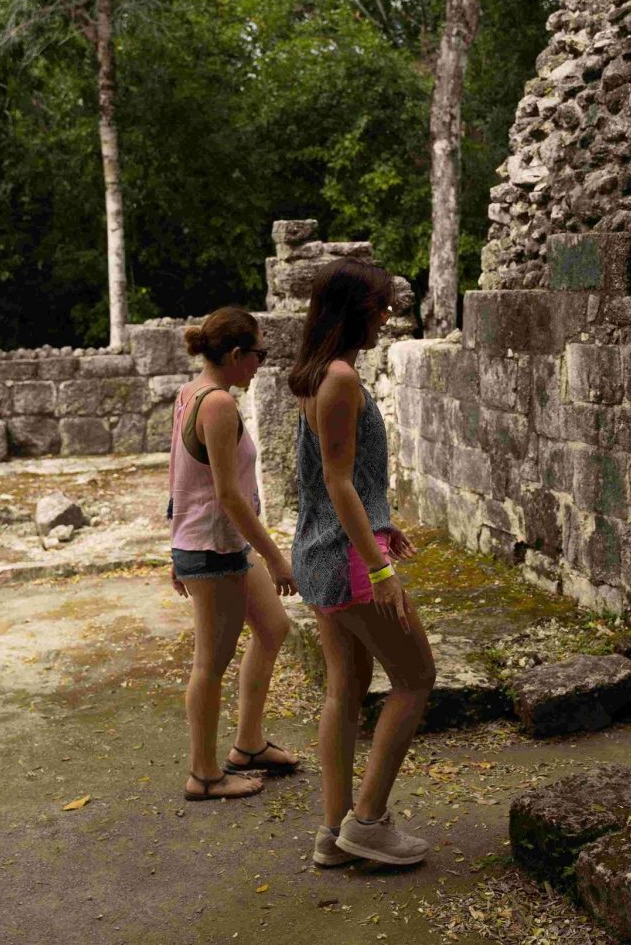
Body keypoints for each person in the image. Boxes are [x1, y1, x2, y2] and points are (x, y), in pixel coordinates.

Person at [289, 259, 435, 866]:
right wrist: (379, 566)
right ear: (355, 310)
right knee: (415, 678)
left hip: (318, 552)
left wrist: (380, 522)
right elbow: (338, 479)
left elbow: (338, 484)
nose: (387, 316)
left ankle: (333, 832)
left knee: (345, 688)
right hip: (348, 561)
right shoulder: (342, 379)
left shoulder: (315, 377)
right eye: (380, 306)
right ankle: (369, 821)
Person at [168, 306, 300, 801]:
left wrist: (174, 545)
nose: (261, 364)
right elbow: (227, 494)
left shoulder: (191, 392)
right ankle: (204, 773)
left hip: (213, 544)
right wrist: (275, 557)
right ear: (238, 354)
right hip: (213, 549)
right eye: (260, 354)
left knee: (273, 627)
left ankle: (247, 745)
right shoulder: (218, 403)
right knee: (210, 661)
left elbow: (180, 477)